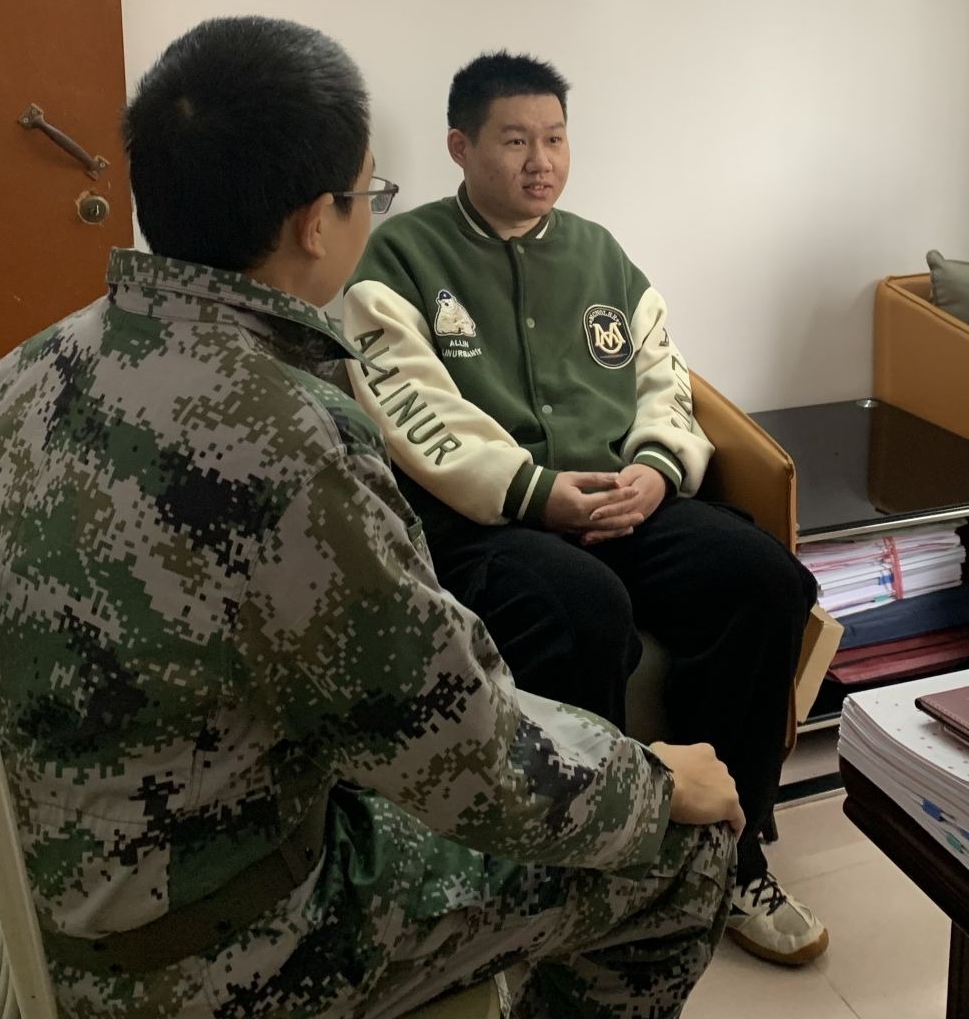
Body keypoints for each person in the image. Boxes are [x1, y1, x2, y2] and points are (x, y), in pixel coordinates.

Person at [0, 18, 743, 1019]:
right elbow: (466, 755)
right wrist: (655, 783)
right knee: (683, 853)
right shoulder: (289, 433)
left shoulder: (26, 370)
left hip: (78, 874)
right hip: (216, 946)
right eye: (370, 192)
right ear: (318, 222)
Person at [341, 52, 827, 968]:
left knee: (764, 579)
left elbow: (664, 380)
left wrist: (656, 471)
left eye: (556, 139)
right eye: (515, 141)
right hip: (488, 518)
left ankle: (730, 853)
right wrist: (537, 492)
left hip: (621, 496)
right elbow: (411, 410)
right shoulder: (396, 259)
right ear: (460, 146)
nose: (542, 162)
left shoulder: (601, 254)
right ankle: (581, 877)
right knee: (579, 609)